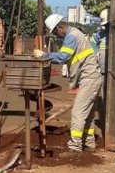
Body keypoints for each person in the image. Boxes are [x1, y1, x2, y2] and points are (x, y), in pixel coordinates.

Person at [34, 14, 100, 152]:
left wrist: (44, 55)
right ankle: (89, 144)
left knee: (78, 112)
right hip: (90, 78)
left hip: (89, 78)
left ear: (60, 27)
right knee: (87, 114)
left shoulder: (71, 36)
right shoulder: (75, 34)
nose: (56, 36)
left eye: (55, 32)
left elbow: (64, 56)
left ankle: (75, 146)